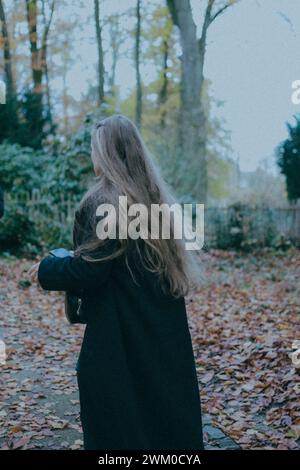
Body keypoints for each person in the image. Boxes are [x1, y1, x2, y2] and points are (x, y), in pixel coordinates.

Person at [29, 114, 204, 450]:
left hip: (117, 339)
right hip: (160, 338)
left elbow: (89, 271)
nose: (92, 157)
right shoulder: (158, 203)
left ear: (106, 153)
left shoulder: (101, 203)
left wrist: (45, 269)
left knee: (118, 426)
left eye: (95, 149)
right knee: (161, 419)